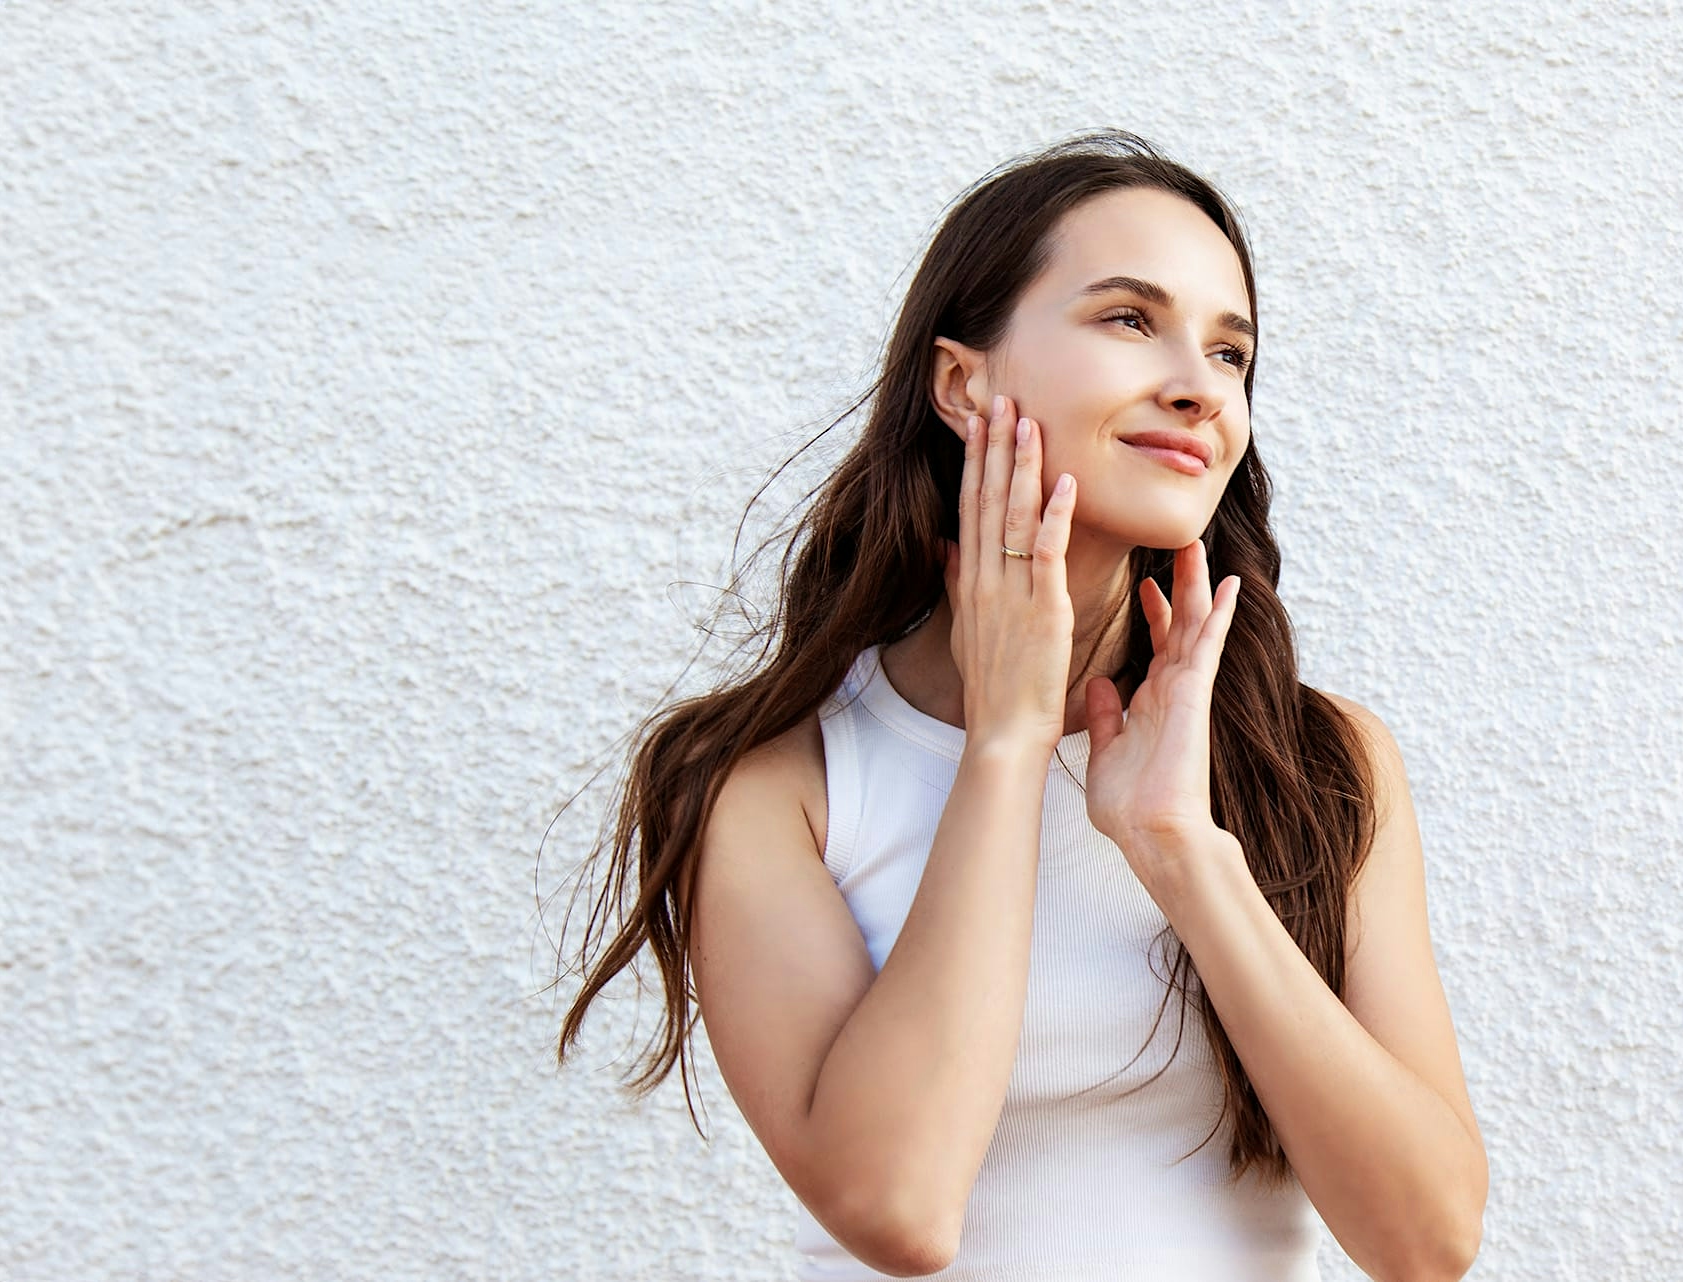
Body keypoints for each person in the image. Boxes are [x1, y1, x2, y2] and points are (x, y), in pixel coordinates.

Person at [557, 129, 1488, 1281]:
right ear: (964, 382)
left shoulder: (1325, 759)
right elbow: (897, 1208)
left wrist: (1180, 848)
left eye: (1231, 351)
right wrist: (1002, 746)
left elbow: (1427, 1238)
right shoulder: (770, 785)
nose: (1198, 385)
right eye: (1129, 320)